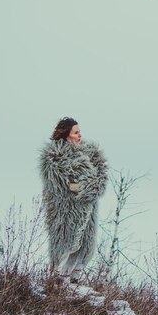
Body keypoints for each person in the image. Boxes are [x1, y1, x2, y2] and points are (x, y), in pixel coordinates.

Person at [39, 117, 108, 281]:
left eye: (80, 132)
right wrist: (86, 187)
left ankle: (73, 281)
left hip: (87, 210)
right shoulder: (55, 158)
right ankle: (58, 282)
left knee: (84, 247)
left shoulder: (90, 155)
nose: (80, 136)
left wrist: (85, 187)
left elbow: (99, 182)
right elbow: (67, 185)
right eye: (76, 132)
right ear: (65, 135)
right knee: (66, 244)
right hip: (65, 212)